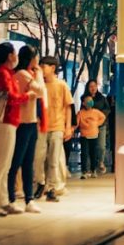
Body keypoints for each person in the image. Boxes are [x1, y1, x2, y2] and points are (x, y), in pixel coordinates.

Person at [0, 42, 34, 217]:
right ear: (10, 56)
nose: (16, 56)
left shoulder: (6, 73)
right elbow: (10, 97)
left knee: (4, 164)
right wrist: (26, 96)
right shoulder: (3, 74)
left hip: (8, 122)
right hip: (3, 122)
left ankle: (3, 201)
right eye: (14, 53)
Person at [6, 45, 45, 213]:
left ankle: (29, 199)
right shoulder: (22, 75)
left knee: (27, 162)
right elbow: (41, 91)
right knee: (17, 162)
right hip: (22, 123)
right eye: (35, 57)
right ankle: (11, 198)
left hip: (29, 123)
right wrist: (40, 74)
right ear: (30, 58)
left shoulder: (27, 75)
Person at [40, 56, 74, 198]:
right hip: (42, 127)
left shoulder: (62, 85)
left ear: (52, 68)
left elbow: (67, 107)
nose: (41, 69)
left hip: (57, 126)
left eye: (43, 66)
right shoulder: (40, 85)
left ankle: (53, 187)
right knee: (41, 158)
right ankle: (43, 185)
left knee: (54, 159)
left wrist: (67, 127)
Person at [82, 78, 110, 174]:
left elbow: (107, 110)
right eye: (91, 86)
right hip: (89, 128)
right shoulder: (84, 99)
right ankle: (90, 166)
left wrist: (98, 119)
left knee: (101, 146)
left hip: (101, 125)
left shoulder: (102, 98)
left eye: (94, 86)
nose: (93, 88)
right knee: (89, 147)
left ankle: (100, 162)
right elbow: (82, 113)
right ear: (88, 88)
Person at [75, 95, 106, 180]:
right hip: (84, 136)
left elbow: (103, 117)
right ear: (84, 103)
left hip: (94, 135)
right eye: (87, 101)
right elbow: (76, 123)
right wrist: (73, 130)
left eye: (91, 100)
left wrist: (97, 124)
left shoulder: (96, 112)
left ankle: (93, 170)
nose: (89, 102)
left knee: (93, 153)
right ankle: (84, 171)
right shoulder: (80, 113)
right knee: (84, 154)